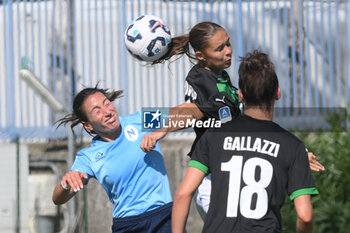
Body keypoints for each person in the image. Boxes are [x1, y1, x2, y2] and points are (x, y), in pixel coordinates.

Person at [140, 21, 324, 219]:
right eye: (219, 48)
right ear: (201, 56)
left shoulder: (220, 76)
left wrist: (297, 152)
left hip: (230, 175)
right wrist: (161, 130)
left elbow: (251, 121)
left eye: (227, 43)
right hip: (211, 179)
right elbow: (192, 111)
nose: (228, 51)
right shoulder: (201, 80)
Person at [172, 50, 318, 233]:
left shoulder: (213, 136)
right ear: (278, 93)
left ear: (240, 95)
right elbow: (305, 216)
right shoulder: (293, 146)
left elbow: (183, 194)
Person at [52, 86, 173, 233]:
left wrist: (161, 130)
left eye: (107, 103)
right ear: (88, 125)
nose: (107, 112)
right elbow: (57, 199)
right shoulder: (88, 156)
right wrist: (65, 183)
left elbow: (189, 114)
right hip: (128, 225)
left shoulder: (139, 121)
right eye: (97, 111)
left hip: (165, 217)